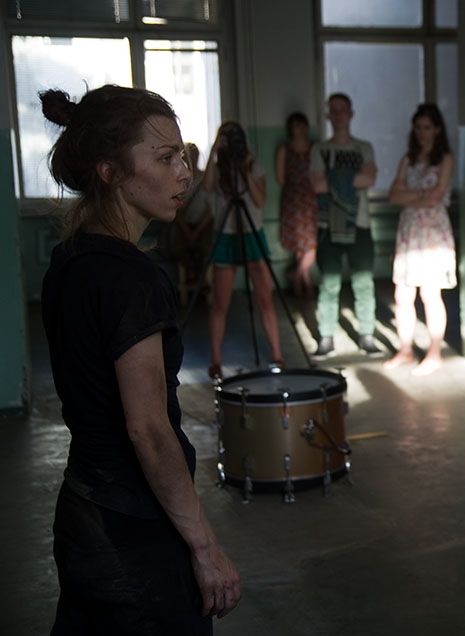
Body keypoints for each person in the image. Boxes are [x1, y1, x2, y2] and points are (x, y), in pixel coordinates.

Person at [40, 85, 240, 634]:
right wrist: (204, 547)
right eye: (165, 158)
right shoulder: (133, 279)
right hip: (133, 528)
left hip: (84, 506)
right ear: (110, 172)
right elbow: (148, 430)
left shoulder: (70, 259)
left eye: (182, 156)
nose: (185, 173)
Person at [204, 121, 284, 380]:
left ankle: (277, 354)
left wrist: (244, 168)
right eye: (227, 137)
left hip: (251, 234)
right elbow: (207, 187)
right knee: (220, 303)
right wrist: (214, 150)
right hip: (226, 234)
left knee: (265, 298)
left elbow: (260, 201)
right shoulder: (218, 168)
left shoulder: (253, 165)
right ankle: (216, 360)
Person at [384, 103, 457, 376]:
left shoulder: (445, 159)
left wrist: (410, 195)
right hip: (409, 232)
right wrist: (421, 196)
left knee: (430, 293)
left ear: (437, 129)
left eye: (427, 127)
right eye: (418, 128)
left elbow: (436, 197)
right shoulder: (409, 159)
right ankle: (405, 350)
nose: (422, 133)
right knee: (402, 294)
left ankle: (434, 352)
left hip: (433, 235)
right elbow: (393, 196)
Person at [309, 93, 379, 356]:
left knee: (364, 283)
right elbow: (317, 185)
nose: (338, 115)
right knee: (329, 284)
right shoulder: (319, 149)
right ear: (328, 115)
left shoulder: (364, 148)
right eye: (334, 110)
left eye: (343, 110)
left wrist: (333, 178)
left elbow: (369, 180)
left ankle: (367, 335)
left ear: (351, 113)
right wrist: (351, 178)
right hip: (328, 225)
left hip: (360, 224)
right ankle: (326, 336)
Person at [158, 142, 212, 298]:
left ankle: (202, 283)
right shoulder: (180, 180)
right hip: (184, 225)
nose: (193, 158)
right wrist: (186, 229)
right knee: (180, 248)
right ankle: (192, 279)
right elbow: (176, 207)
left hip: (203, 225)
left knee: (205, 248)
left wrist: (198, 229)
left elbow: (210, 209)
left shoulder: (205, 178)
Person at [276, 112, 320, 297]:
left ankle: (296, 275)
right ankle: (304, 283)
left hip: (311, 200)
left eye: (303, 125)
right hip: (293, 201)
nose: (300, 129)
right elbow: (280, 178)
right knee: (300, 245)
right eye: (296, 126)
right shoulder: (285, 149)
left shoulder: (315, 148)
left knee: (311, 245)